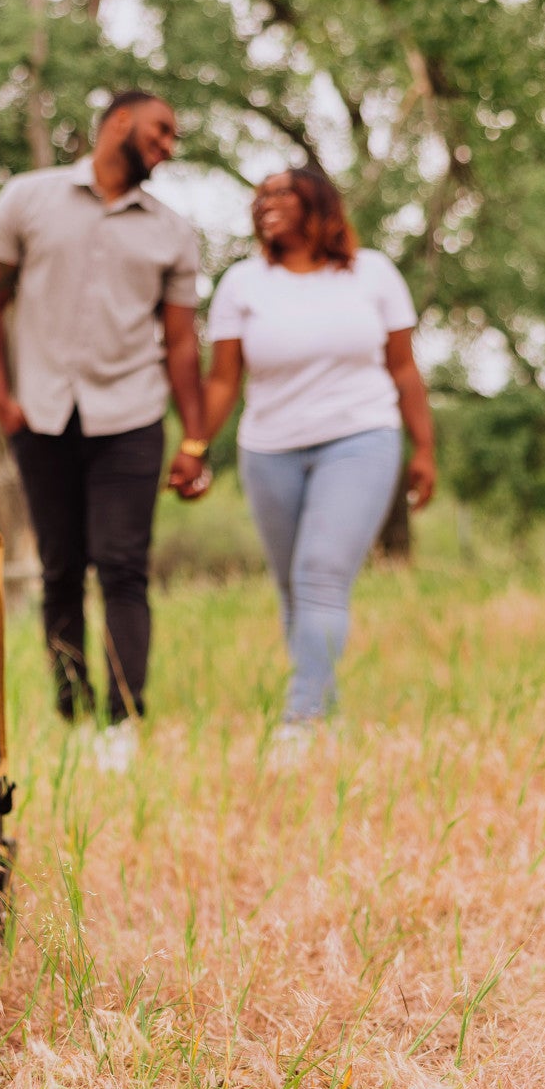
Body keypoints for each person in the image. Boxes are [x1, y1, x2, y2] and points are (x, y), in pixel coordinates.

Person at [0, 91, 209, 770]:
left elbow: (184, 344)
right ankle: (72, 709)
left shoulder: (173, 232)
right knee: (61, 569)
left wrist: (194, 440)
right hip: (43, 414)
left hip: (131, 415)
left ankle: (123, 719)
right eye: (162, 130)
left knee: (124, 567)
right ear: (119, 123)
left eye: (174, 137)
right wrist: (1, 401)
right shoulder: (27, 199)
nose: (169, 145)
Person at [200, 166, 435, 736]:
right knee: (293, 588)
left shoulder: (372, 274)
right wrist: (193, 446)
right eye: (261, 197)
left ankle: (300, 720)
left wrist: (423, 448)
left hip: (360, 438)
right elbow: (224, 380)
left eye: (283, 193)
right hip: (270, 449)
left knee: (321, 575)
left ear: (318, 205)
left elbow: (403, 369)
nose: (267, 204)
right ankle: (325, 716)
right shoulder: (242, 283)